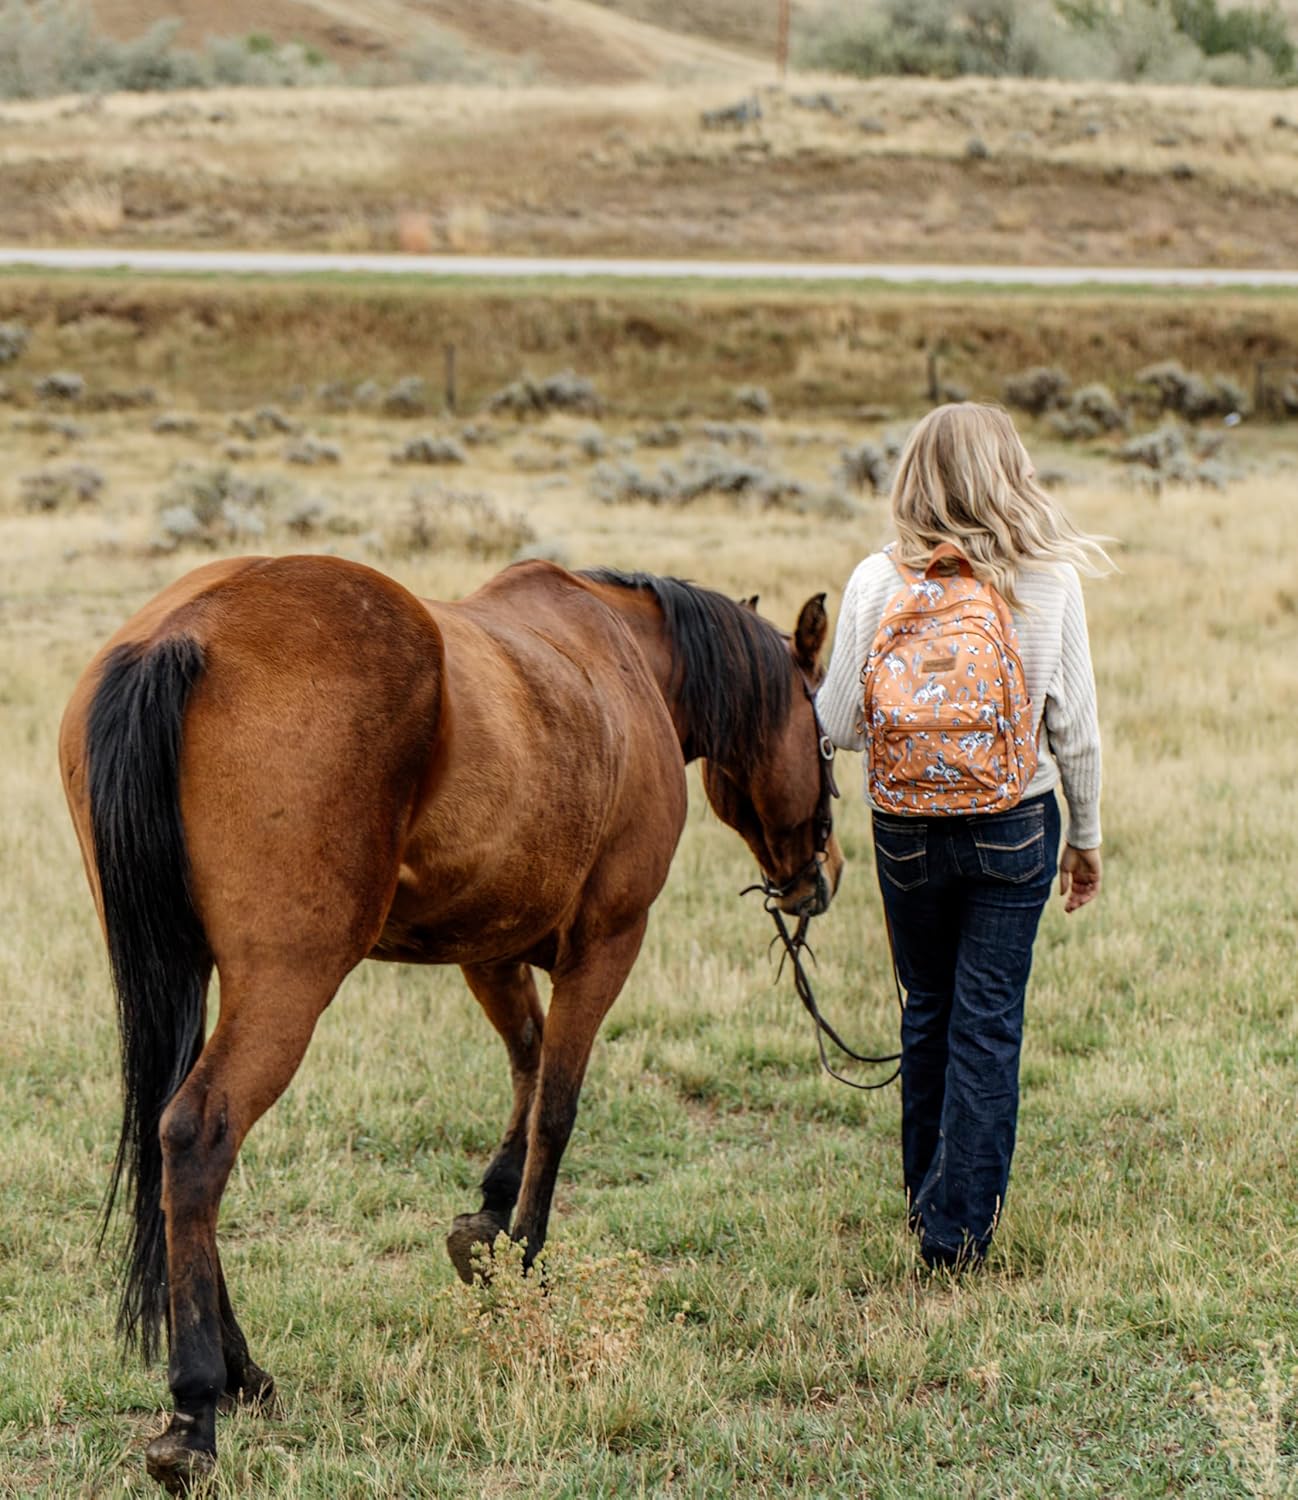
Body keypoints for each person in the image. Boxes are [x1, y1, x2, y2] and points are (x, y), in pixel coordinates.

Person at [816, 402, 1111, 1272]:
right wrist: (1084, 838)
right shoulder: (1048, 578)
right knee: (987, 1022)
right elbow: (1076, 731)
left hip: (905, 827)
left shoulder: (876, 581)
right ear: (1008, 472)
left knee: (928, 1011)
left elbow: (836, 720)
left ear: (914, 475)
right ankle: (956, 1236)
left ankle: (925, 1204)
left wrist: (918, 722)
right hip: (1015, 821)